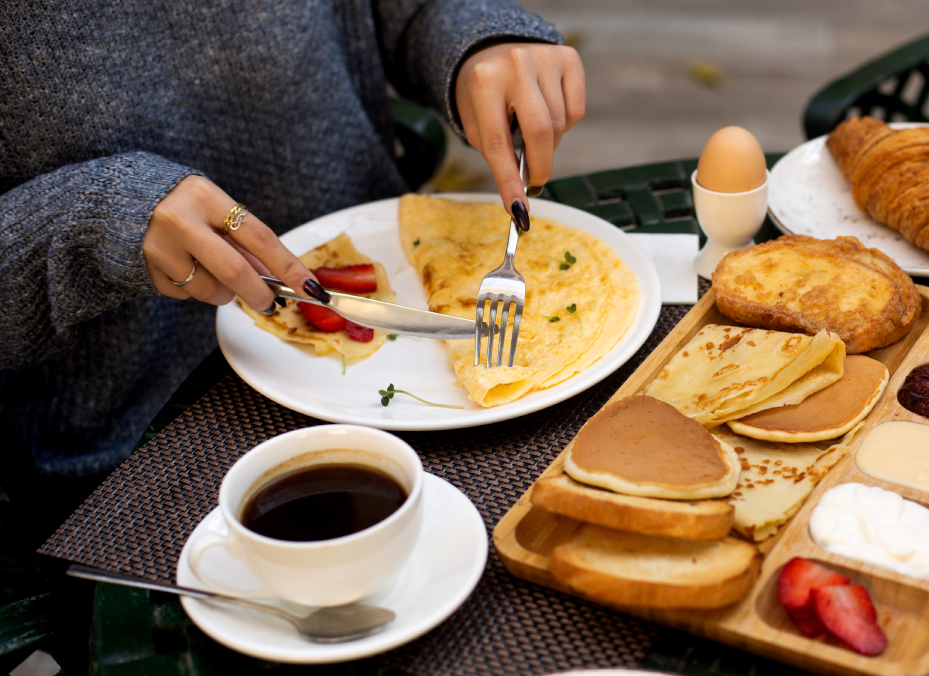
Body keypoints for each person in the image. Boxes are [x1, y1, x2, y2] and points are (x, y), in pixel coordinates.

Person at [0, 1, 584, 487]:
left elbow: (411, 12)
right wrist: (94, 220)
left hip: (402, 375)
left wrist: (480, 42)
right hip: (142, 448)